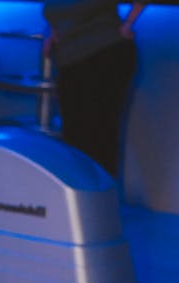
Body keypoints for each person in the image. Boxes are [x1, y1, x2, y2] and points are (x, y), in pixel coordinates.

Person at [42, 0, 148, 175]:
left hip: (104, 54)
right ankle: (84, 198)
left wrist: (128, 23)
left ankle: (98, 199)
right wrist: (53, 32)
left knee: (97, 140)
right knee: (77, 140)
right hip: (70, 59)